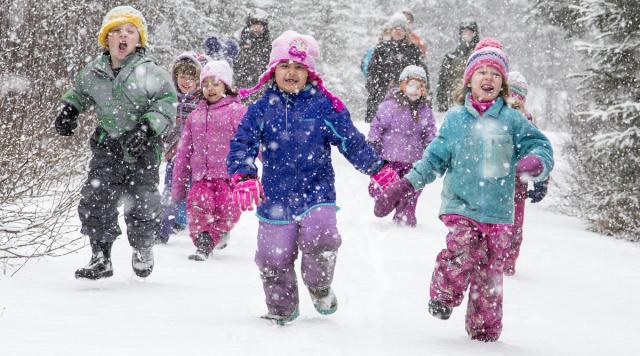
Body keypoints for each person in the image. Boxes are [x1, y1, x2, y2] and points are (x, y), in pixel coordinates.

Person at [374, 38, 554, 342]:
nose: (489, 79)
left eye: (496, 74)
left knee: (490, 272)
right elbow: (433, 159)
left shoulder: (512, 119)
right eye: (482, 72)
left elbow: (540, 145)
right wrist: (404, 185)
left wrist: (536, 161)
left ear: (503, 84)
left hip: (498, 211)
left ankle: (484, 331)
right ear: (469, 79)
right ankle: (444, 294)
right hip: (461, 205)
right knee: (462, 248)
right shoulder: (456, 120)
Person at [227, 30, 398, 325]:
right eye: (285, 66)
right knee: (272, 258)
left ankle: (319, 285)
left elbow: (350, 141)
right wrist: (243, 174)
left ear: (309, 73)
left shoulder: (323, 105)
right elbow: (242, 143)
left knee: (322, 239)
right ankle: (281, 308)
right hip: (275, 195)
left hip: (316, 192)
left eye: (298, 67)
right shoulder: (261, 109)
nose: (291, 73)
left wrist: (376, 168)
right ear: (272, 71)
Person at [54, 6, 176, 279]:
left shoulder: (151, 72)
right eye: (116, 32)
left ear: (139, 40)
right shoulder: (94, 72)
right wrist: (69, 109)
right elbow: (79, 92)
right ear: (105, 39)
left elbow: (167, 103)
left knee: (142, 202)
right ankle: (100, 256)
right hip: (106, 146)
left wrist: (146, 128)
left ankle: (143, 246)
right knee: (96, 199)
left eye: (130, 32)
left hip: (142, 149)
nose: (123, 36)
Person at [171, 60, 246, 261]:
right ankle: (203, 242)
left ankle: (220, 231)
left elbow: (250, 141)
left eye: (215, 83)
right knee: (197, 205)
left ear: (226, 86)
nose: (210, 88)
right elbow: (184, 152)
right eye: (205, 84)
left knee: (229, 209)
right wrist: (178, 185)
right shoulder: (195, 116)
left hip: (228, 177)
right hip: (202, 177)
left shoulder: (236, 111)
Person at [367, 65, 436, 226]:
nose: (415, 90)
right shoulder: (390, 106)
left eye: (419, 87)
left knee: (411, 192)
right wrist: (373, 143)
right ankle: (383, 201)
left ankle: (404, 218)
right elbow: (377, 126)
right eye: (411, 85)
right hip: (390, 159)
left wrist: (432, 148)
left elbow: (430, 133)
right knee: (386, 187)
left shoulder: (425, 111)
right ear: (402, 86)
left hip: (414, 162)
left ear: (424, 90)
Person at [504, 70, 549, 275]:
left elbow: (539, 150)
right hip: (493, 183)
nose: (514, 101)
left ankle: (508, 262)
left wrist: (541, 181)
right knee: (494, 226)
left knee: (515, 227)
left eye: (519, 97)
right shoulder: (496, 119)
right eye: (510, 95)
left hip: (518, 185)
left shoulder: (529, 124)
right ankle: (491, 261)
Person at [158, 52, 205, 244]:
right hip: (175, 153)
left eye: (191, 78)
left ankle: (183, 220)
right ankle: (162, 227)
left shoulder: (202, 100)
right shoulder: (169, 97)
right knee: (171, 188)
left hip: (197, 155)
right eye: (182, 77)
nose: (186, 82)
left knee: (194, 189)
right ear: (175, 77)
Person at [365, 12, 428, 122]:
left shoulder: (413, 50)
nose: (398, 31)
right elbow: (372, 73)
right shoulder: (381, 49)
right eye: (395, 28)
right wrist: (376, 91)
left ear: (405, 30)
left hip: (408, 98)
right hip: (383, 98)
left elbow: (421, 74)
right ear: (391, 30)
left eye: (401, 28)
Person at [435, 20, 479, 113]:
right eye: (465, 32)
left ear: (475, 34)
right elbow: (443, 81)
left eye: (470, 32)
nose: (467, 35)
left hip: (477, 102)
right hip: (455, 100)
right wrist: (442, 101)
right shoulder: (451, 57)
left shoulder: (480, 56)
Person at [234, 12, 272, 90]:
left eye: (260, 25)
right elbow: (237, 63)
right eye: (254, 24)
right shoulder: (243, 40)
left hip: (262, 83)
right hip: (243, 82)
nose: (256, 28)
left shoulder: (267, 44)